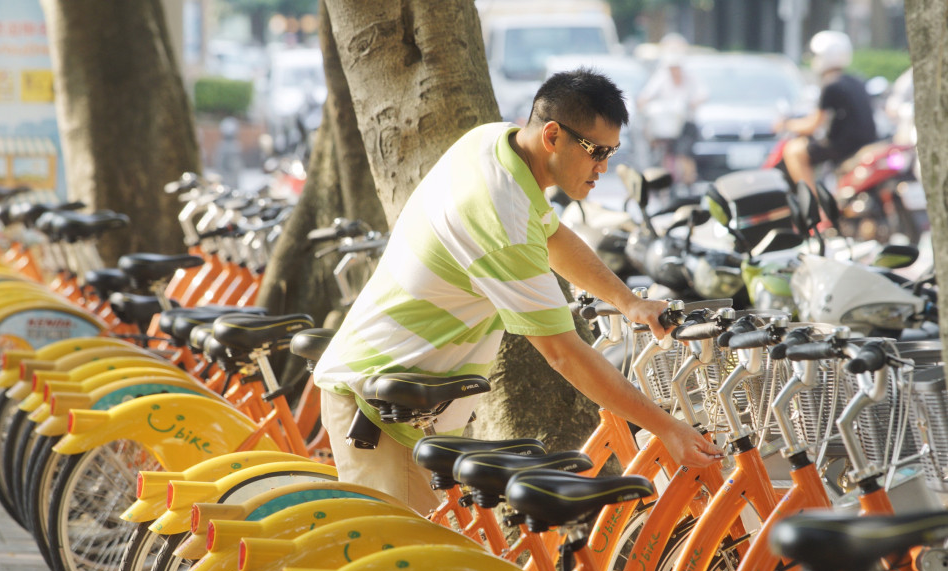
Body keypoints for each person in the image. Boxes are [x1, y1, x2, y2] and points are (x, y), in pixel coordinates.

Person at [313, 69, 724, 513]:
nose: (604, 167)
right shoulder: (501, 215)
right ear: (552, 136)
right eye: (597, 152)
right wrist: (667, 428)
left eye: (612, 152)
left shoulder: (493, 142)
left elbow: (552, 237)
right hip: (377, 410)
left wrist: (629, 302)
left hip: (405, 398)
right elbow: (563, 354)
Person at [775, 30, 877, 192]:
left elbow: (813, 125)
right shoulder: (856, 80)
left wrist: (787, 125)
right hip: (866, 141)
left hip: (843, 145)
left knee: (793, 151)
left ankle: (813, 204)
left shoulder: (830, 85)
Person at [636, 33, 707, 189]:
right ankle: (661, 181)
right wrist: (644, 104)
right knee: (660, 149)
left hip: (685, 124)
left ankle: (688, 183)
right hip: (666, 124)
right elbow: (646, 95)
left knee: (684, 154)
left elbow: (702, 94)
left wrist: (693, 103)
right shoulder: (662, 77)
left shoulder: (690, 77)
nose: (674, 71)